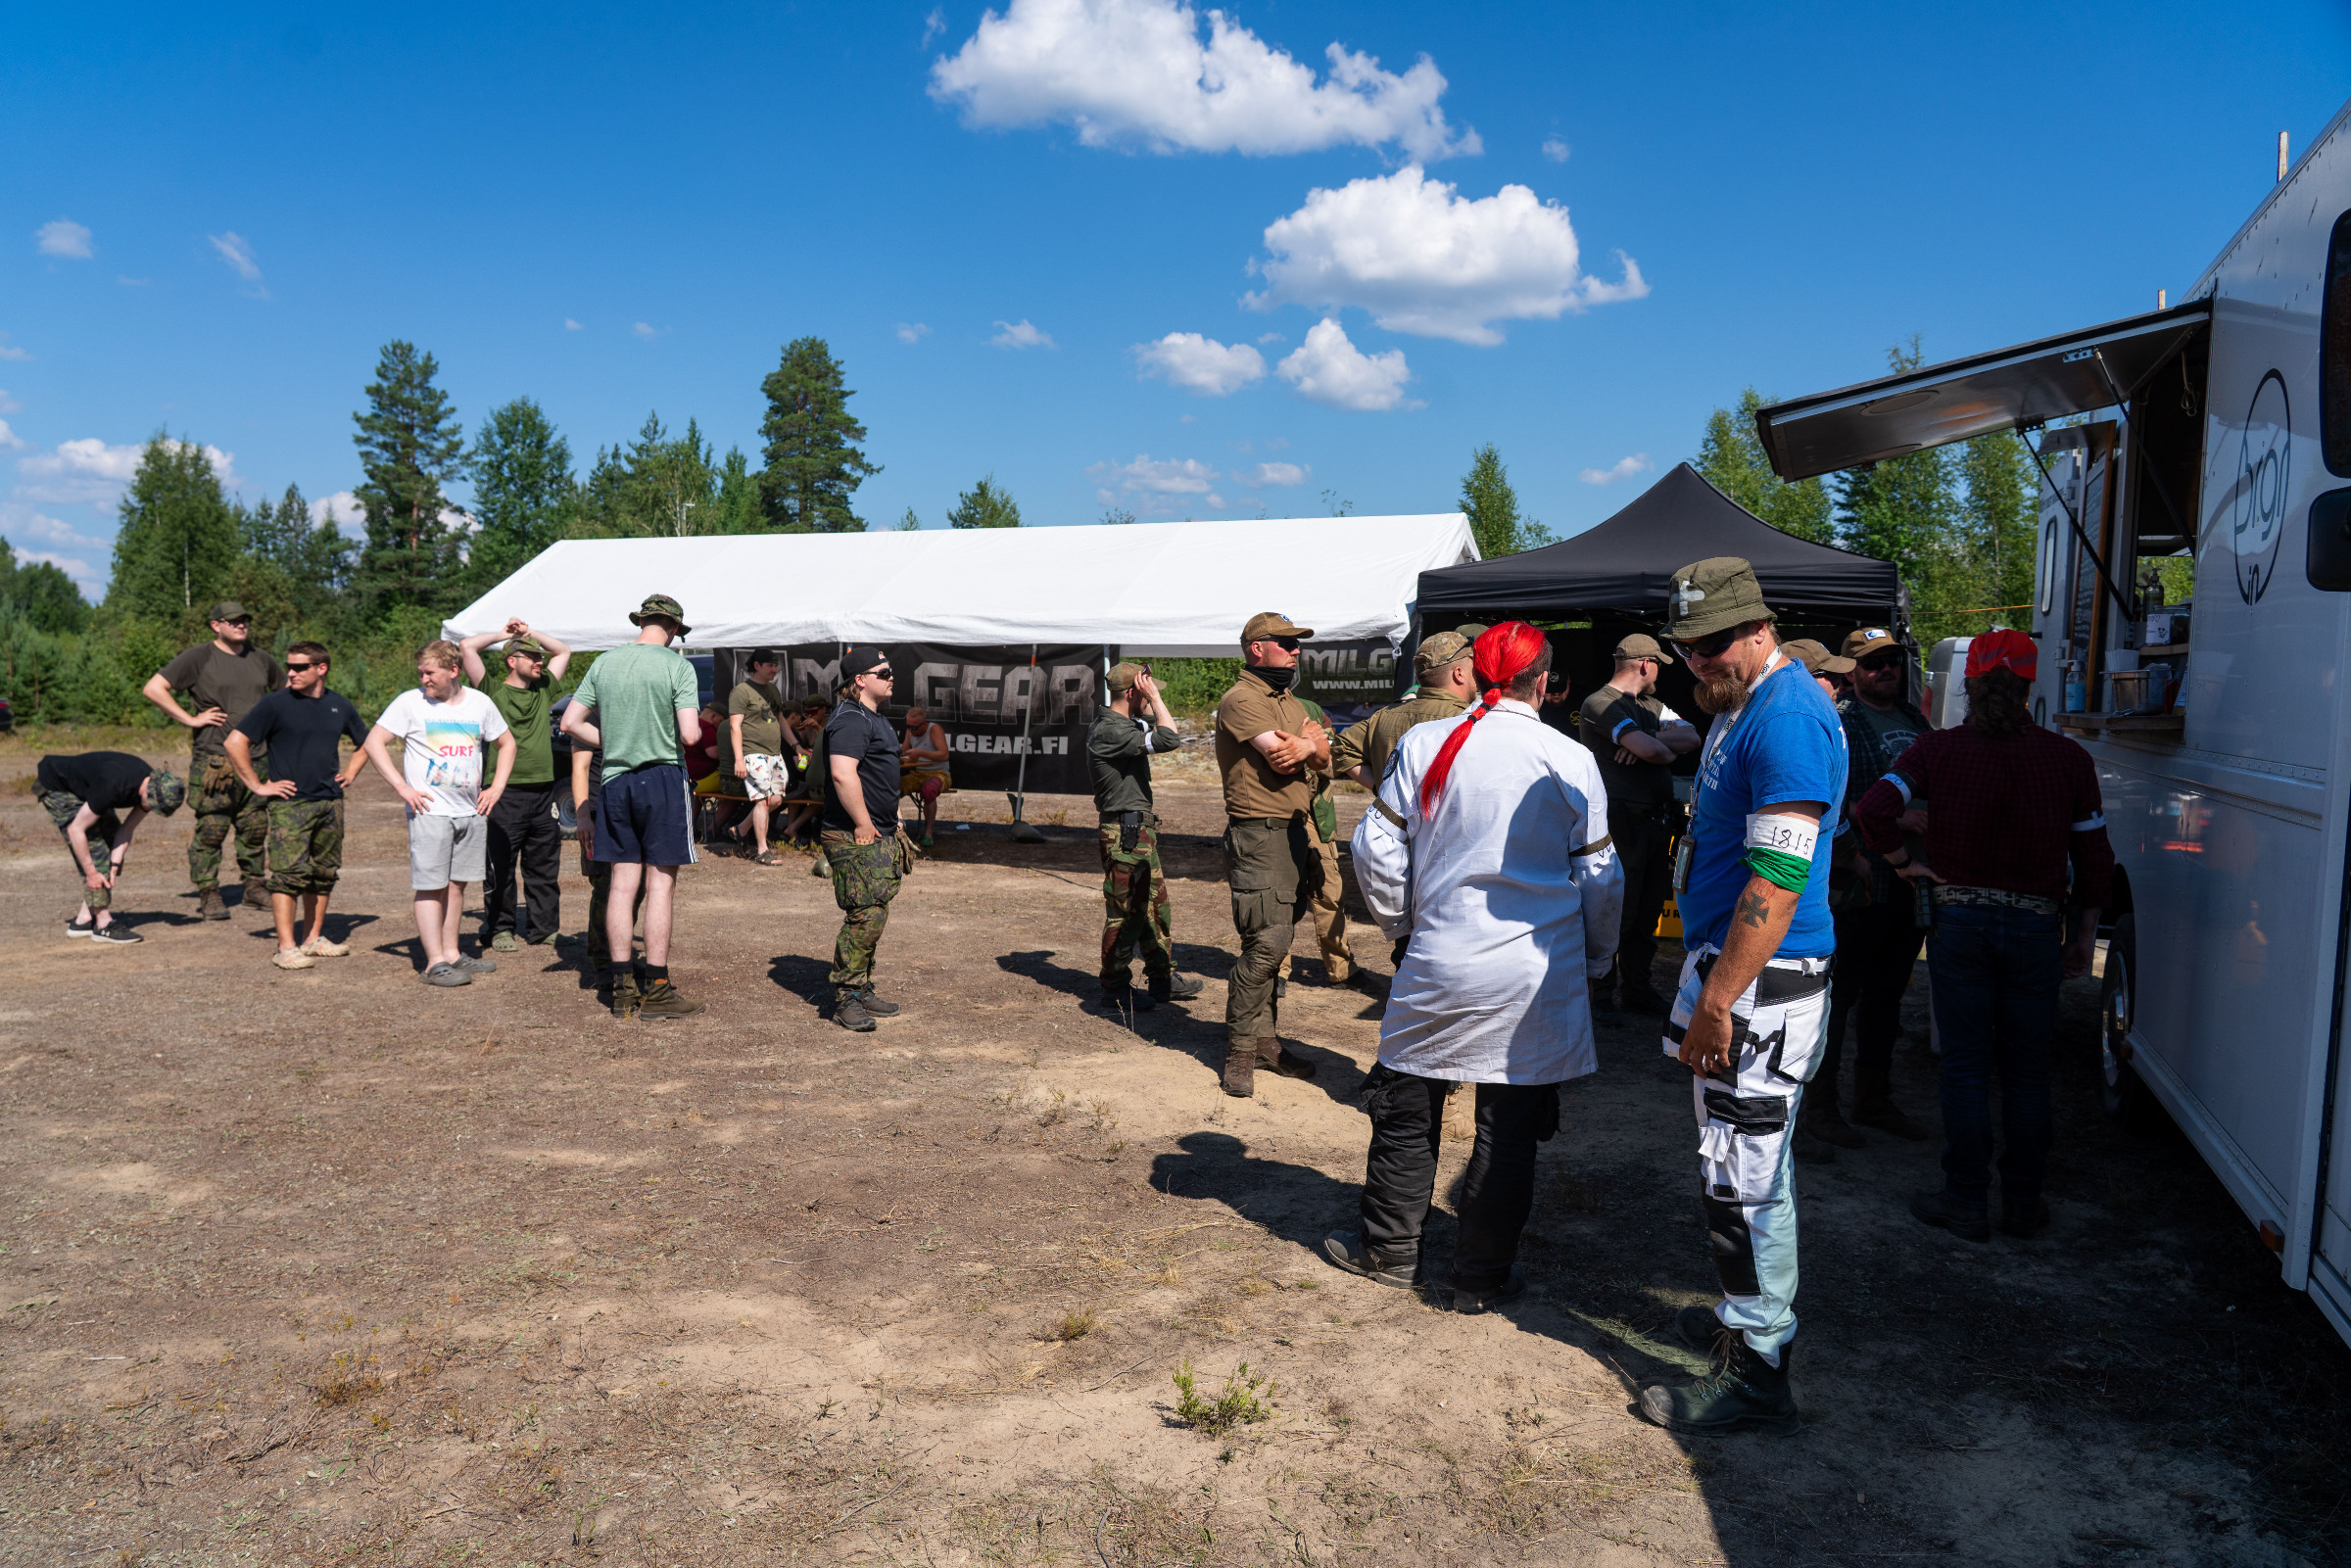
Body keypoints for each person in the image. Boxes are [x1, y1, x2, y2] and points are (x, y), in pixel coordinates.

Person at [1333, 624, 1622, 1310]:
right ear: (1545, 682)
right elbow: (1601, 875)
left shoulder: (1426, 743)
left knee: (1407, 1106)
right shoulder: (1571, 757)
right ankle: (1480, 1278)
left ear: (1477, 672)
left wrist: (1401, 924)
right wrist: (1598, 959)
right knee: (1509, 1126)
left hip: (1440, 956)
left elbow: (1374, 845)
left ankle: (1390, 1253)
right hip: (1536, 971)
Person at [1634, 557, 1844, 1439]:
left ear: (1760, 628)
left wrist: (1720, 998)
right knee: (1736, 1163)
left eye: (1713, 643)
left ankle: (1759, 1366)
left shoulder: (1786, 717)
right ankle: (1744, 1316)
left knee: (1744, 1177)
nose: (1698, 660)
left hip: (1761, 982)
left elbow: (1779, 878)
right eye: (1686, 646)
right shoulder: (1740, 701)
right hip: (1736, 969)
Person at [1852, 630, 2113, 1243]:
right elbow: (2094, 857)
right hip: (2034, 924)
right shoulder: (2068, 758)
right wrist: (2084, 935)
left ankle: (1966, 1200)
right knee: (2027, 1071)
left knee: (1966, 1067)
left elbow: (1873, 810)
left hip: (1960, 921)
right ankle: (2023, 1203)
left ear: (1968, 684)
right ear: (2029, 685)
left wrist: (1901, 863)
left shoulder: (1935, 749)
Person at [1804, 626, 1935, 1154]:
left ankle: (1873, 1099)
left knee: (1888, 995)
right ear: (1852, 671)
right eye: (1874, 662)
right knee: (1840, 997)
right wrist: (1894, 818)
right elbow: (1826, 797)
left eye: (1893, 661)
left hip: (1912, 878)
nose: (1886, 670)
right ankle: (1822, 1107)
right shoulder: (1840, 720)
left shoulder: (1914, 720)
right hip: (1862, 878)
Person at [559, 594, 706, 1022]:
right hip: (662, 779)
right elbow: (691, 736)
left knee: (622, 886)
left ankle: (622, 988)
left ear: (641, 622)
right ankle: (657, 990)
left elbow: (569, 723)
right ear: (674, 629)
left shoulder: (604, 663)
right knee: (660, 886)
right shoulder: (677, 666)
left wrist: (618, 741)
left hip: (615, 782)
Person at [1212, 612, 1328, 1096]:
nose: (1296, 650)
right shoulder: (1241, 699)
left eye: (1297, 643)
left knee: (1277, 944)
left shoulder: (1290, 702)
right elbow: (1282, 758)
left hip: (1294, 833)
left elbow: (1325, 760)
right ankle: (1240, 1050)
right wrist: (1309, 743)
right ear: (1257, 648)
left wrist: (1311, 746)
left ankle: (1265, 1042)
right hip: (1258, 835)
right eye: (1286, 643)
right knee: (1267, 945)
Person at [365, 641, 516, 989]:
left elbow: (507, 743)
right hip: (430, 812)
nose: (424, 679)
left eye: (430, 672)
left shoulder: (480, 703)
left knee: (456, 884)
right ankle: (434, 963)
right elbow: (374, 742)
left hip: (470, 811)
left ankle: (452, 952)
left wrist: (496, 787)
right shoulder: (410, 702)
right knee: (431, 886)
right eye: (421, 673)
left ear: (453, 670)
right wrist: (402, 787)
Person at [225, 641, 370, 970]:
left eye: (299, 667)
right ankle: (286, 947)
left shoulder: (339, 705)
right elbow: (235, 742)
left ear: (321, 668)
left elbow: (367, 743)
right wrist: (257, 785)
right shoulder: (275, 703)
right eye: (289, 666)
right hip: (290, 805)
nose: (291, 673)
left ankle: (312, 939)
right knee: (287, 875)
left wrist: (350, 772)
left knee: (323, 873)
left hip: (330, 803)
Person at [1578, 634, 1700, 1017]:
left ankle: (1637, 990)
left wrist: (1645, 740)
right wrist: (1655, 746)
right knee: (1616, 911)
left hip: (1654, 822)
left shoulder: (1651, 705)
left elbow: (1692, 737)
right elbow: (1657, 752)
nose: (1661, 671)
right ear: (1646, 664)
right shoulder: (1602, 702)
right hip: (1621, 822)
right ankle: (1600, 995)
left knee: (1646, 911)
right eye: (1659, 663)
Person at [142, 600, 281, 920]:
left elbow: (286, 692)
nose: (241, 625)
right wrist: (190, 719)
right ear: (216, 625)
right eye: (233, 621)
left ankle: (254, 887)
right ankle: (209, 892)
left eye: (244, 620)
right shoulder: (199, 656)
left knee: (255, 827)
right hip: (216, 760)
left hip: (257, 757)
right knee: (212, 829)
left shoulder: (261, 658)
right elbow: (154, 688)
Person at [1087, 662, 1206, 1012]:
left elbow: (1156, 729)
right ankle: (1114, 988)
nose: (1153, 698)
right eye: (1148, 692)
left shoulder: (1122, 725)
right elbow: (1169, 738)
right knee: (1126, 914)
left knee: (1155, 909)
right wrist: (1154, 698)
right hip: (1125, 835)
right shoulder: (1110, 730)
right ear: (1132, 693)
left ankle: (1161, 979)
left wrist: (1148, 698)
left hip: (1137, 831)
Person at [459, 620, 574, 951]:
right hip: (503, 793)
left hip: (543, 792)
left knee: (544, 866)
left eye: (540, 658)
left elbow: (563, 651)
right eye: (532, 657)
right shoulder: (492, 691)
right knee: (500, 867)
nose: (540, 662)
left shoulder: (543, 688)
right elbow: (467, 646)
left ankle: (544, 929)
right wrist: (505, 636)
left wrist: (530, 633)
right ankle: (499, 929)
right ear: (512, 660)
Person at [820, 646, 907, 1032]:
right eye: (883, 672)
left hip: (878, 830)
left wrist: (895, 816)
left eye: (890, 670)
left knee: (876, 911)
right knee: (865, 915)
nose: (891, 676)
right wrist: (863, 823)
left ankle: (862, 988)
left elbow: (881, 773)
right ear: (859, 680)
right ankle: (847, 999)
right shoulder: (851, 719)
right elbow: (843, 774)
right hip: (853, 833)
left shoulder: (875, 718)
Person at [37, 752, 184, 943]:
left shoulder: (153, 786)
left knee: (110, 849)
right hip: (58, 785)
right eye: (153, 806)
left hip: (90, 788)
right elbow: (76, 830)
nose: (151, 809)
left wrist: (114, 864)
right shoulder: (114, 785)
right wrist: (91, 873)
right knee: (96, 854)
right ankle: (103, 924)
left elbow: (127, 829)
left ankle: (84, 919)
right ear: (147, 792)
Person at [1286, 692, 1357, 984]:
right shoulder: (1254, 706)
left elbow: (1332, 761)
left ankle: (1341, 969)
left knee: (1329, 889)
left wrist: (1313, 753)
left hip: (1316, 813)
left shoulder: (1311, 709)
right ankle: (1275, 971)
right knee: (1281, 891)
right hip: (1278, 811)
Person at [722, 649, 794, 865]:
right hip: (753, 753)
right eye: (770, 666)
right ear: (756, 666)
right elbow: (735, 727)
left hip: (774, 753)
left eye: (776, 666)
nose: (774, 670)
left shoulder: (773, 690)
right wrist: (739, 759)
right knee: (762, 800)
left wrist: (796, 745)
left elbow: (780, 719)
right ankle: (762, 851)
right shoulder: (741, 691)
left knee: (776, 800)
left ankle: (741, 828)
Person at [899, 705, 951, 848]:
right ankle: (895, 827)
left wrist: (920, 752)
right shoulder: (910, 731)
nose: (911, 730)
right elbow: (903, 750)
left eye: (914, 727)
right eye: (908, 726)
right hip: (917, 773)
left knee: (929, 791)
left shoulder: (934, 730)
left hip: (939, 773)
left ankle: (928, 832)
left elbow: (944, 755)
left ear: (924, 724)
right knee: (892, 788)